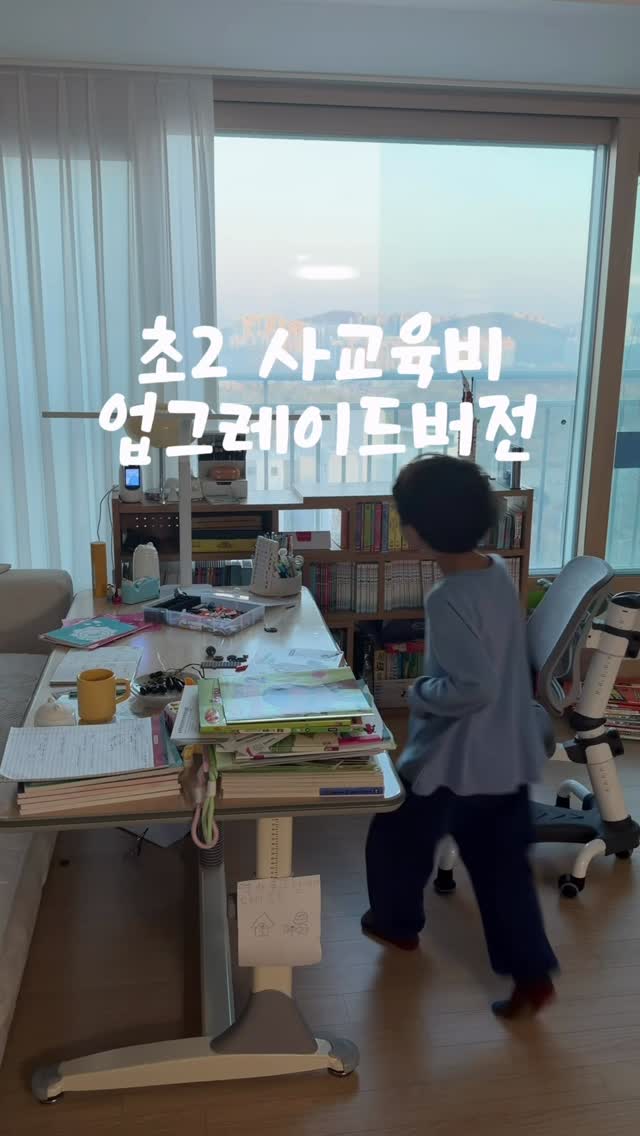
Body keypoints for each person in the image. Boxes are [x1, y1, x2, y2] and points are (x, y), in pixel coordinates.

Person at [362, 454, 558, 1020]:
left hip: (457, 760)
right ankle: (532, 975)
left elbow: (472, 687)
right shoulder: (496, 571)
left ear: (418, 530)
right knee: (504, 871)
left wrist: (420, 691)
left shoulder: (446, 599)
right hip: (508, 754)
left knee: (394, 836)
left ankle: (396, 923)